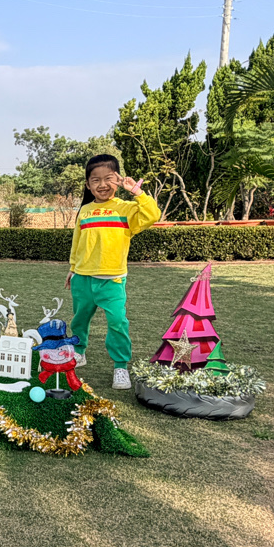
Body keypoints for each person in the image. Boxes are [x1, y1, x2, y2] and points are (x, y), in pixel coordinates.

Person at [65, 154, 161, 390]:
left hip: (113, 279)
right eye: (95, 180)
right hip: (82, 278)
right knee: (79, 320)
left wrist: (137, 193)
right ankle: (79, 351)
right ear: (88, 185)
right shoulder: (85, 211)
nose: (102, 185)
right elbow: (77, 242)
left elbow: (152, 215)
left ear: (118, 179)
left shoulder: (127, 209)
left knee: (118, 322)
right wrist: (72, 269)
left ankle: (120, 366)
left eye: (108, 178)